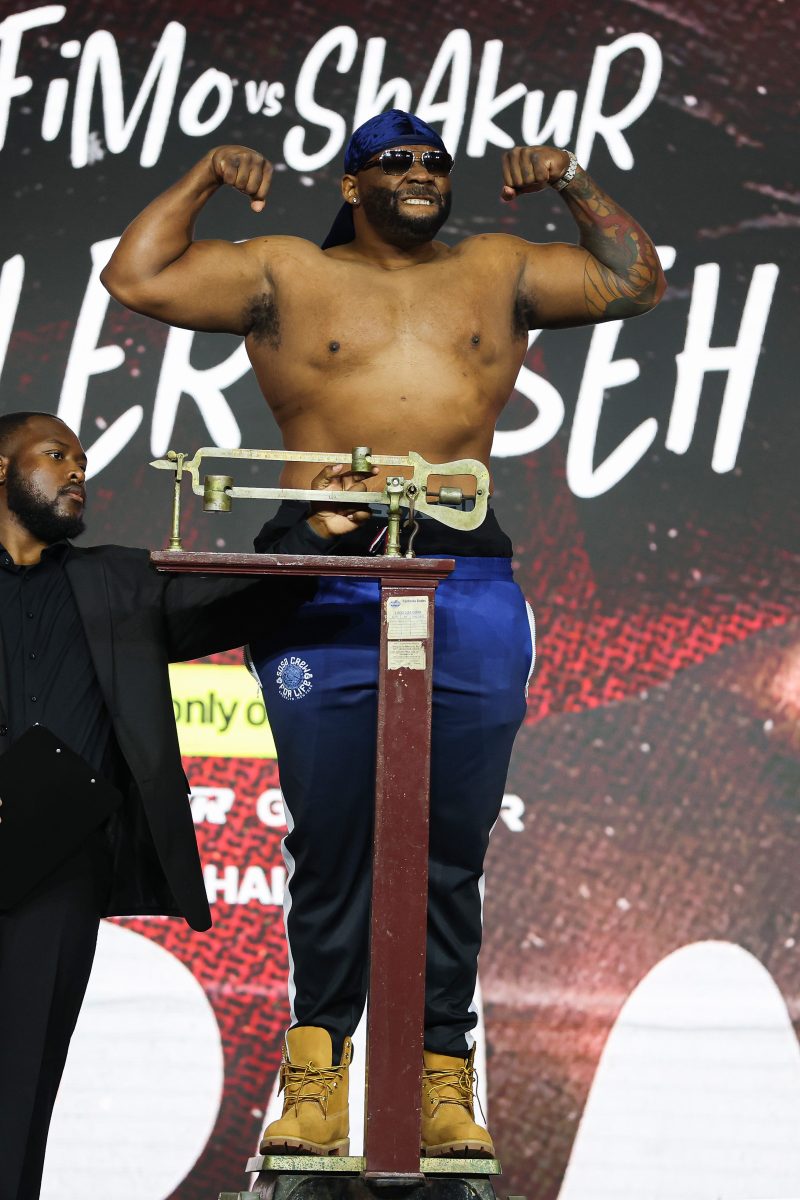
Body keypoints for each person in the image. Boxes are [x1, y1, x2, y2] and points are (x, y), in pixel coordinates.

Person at [101, 109, 665, 1158]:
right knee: (331, 839)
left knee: (451, 842)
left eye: (435, 163)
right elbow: (136, 277)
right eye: (394, 161)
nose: (420, 173)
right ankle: (317, 1076)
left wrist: (573, 182)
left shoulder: (497, 267)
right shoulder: (284, 270)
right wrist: (206, 174)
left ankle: (445, 1078)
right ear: (351, 184)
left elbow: (633, 281)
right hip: (319, 577)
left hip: (464, 578)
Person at [0, 410, 367, 1200]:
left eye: (83, 460)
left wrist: (316, 532)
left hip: (57, 873)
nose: (77, 471)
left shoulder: (116, 580)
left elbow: (238, 596)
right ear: (1, 468)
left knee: (19, 1093)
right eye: (57, 454)